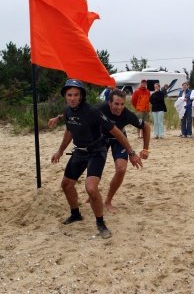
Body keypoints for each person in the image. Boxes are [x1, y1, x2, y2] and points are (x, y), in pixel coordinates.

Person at [51, 79, 143, 240]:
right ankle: (75, 214)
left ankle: (100, 223)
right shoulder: (67, 111)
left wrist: (131, 152)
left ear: (81, 96)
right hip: (79, 151)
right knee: (66, 185)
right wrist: (59, 151)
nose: (72, 98)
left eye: (76, 95)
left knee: (91, 188)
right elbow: (69, 132)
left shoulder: (92, 111)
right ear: (65, 96)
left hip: (96, 152)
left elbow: (116, 131)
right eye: (69, 95)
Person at [99, 89, 150, 212]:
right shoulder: (100, 108)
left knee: (121, 169)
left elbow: (146, 127)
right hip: (101, 139)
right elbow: (81, 113)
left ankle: (108, 201)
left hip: (119, 140)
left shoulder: (127, 114)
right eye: (116, 104)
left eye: (122, 104)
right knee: (95, 166)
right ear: (109, 103)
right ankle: (93, 194)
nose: (119, 107)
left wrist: (145, 149)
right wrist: (59, 117)